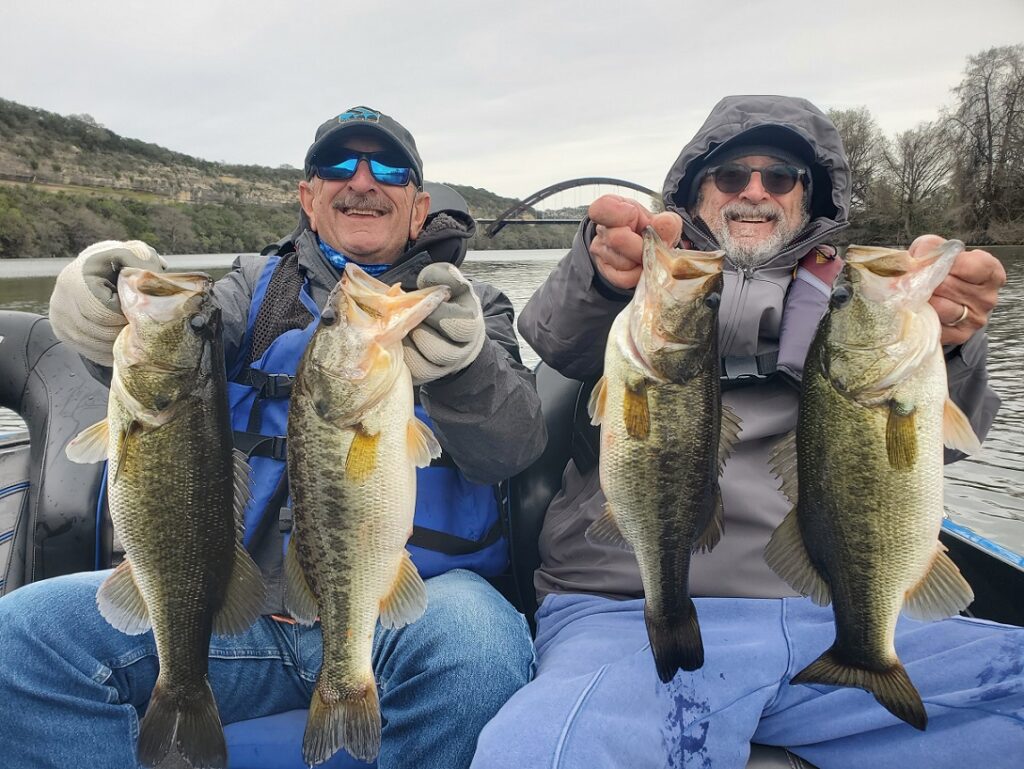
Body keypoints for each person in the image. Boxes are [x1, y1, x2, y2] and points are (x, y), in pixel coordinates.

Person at [471, 95, 1023, 769]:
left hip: (840, 603)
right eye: (731, 177)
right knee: (535, 755)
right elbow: (556, 338)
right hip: (628, 620)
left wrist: (954, 343)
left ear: (809, 198)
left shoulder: (868, 304)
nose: (754, 192)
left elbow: (938, 449)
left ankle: (866, 661)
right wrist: (599, 274)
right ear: (695, 194)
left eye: (781, 177)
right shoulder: (638, 293)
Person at [0, 106, 546, 769]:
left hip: (405, 614)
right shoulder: (251, 289)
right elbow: (162, 368)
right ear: (309, 199)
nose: (364, 181)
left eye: (390, 169)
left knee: (479, 650)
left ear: (419, 203)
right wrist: (98, 311)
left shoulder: (469, 305)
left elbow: (512, 447)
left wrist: (465, 370)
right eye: (339, 166)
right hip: (237, 613)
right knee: (20, 637)